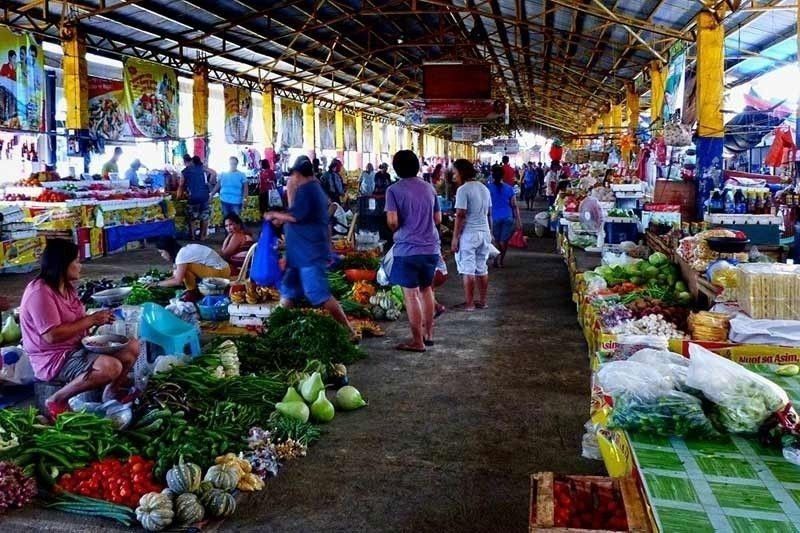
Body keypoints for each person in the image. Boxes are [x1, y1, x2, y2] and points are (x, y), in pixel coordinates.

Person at [19, 240, 140, 419]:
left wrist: (96, 321)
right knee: (110, 367)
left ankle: (111, 393)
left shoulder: (67, 288)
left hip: (76, 348)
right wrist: (90, 320)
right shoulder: (40, 292)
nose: (80, 266)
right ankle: (56, 399)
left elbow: (77, 322)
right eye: (76, 261)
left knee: (133, 347)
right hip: (54, 358)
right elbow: (52, 336)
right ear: (62, 264)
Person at [264, 156, 354, 334]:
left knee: (318, 293)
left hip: (308, 254)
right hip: (300, 253)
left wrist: (273, 214)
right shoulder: (314, 189)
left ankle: (348, 330)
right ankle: (273, 328)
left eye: (293, 176)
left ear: (297, 174)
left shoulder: (308, 190)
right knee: (289, 292)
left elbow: (296, 216)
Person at [385, 150, 441, 352]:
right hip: (431, 248)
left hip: (408, 249)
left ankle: (417, 341)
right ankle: (429, 335)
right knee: (427, 290)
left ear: (397, 168)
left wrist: (397, 227)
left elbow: (392, 221)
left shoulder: (393, 190)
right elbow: (438, 220)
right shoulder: (429, 188)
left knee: (411, 294)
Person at [452, 158, 492, 311]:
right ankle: (482, 301)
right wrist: (490, 233)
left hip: (470, 234)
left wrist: (455, 238)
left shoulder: (463, 190)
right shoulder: (484, 188)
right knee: (482, 268)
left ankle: (469, 304)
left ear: (461, 172)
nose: (454, 177)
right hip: (484, 232)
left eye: (455, 173)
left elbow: (460, 215)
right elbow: (489, 213)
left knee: (468, 269)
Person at [155, 237, 231, 292]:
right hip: (225, 269)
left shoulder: (181, 256)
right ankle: (193, 289)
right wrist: (165, 281)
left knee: (185, 269)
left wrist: (157, 284)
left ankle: (191, 292)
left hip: (220, 274)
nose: (162, 255)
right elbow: (176, 274)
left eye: (162, 252)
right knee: (181, 270)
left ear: (168, 250)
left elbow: (177, 281)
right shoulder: (185, 249)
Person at [487, 165, 522, 268]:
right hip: (508, 217)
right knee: (504, 241)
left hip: (494, 218)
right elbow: (514, 205)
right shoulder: (509, 188)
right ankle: (500, 260)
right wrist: (518, 220)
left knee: (497, 241)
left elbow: (485, 205)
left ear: (492, 175)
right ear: (503, 175)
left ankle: (496, 259)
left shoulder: (488, 188)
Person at [178, 156, 212, 241]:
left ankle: (192, 236)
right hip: (204, 196)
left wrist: (179, 196)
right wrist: (209, 182)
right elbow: (214, 173)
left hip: (193, 197)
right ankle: (202, 236)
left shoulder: (185, 171)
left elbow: (181, 184)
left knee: (192, 218)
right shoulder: (203, 169)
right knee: (204, 217)